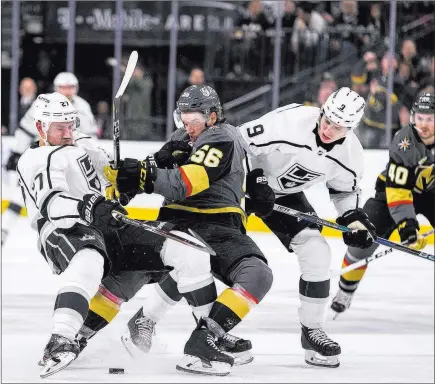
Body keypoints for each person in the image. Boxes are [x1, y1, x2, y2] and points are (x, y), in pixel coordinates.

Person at [17, 92, 197, 378]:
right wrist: (90, 204)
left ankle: (133, 325)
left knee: (183, 248)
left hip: (103, 223)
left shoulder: (81, 142)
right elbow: (53, 204)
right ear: (41, 128)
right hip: (63, 227)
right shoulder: (37, 158)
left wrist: (147, 166)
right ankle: (59, 339)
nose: (67, 132)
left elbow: (111, 177)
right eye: (59, 127)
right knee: (88, 258)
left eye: (70, 124)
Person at [108, 84, 274, 376]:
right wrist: (126, 185)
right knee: (200, 263)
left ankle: (196, 331)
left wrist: (145, 175)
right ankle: (207, 338)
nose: (187, 126)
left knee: (252, 273)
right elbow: (157, 172)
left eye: (193, 119)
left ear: (212, 116)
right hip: (183, 221)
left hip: (217, 222)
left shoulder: (222, 137)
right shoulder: (182, 136)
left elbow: (182, 182)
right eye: (182, 118)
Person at [237, 87, 376, 368]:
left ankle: (312, 331)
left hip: (283, 196)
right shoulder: (291, 120)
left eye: (338, 128)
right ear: (322, 110)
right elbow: (236, 141)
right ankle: (153, 318)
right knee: (211, 249)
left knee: (317, 251)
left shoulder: (351, 153)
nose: (328, 129)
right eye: (327, 121)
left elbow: (344, 193)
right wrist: (255, 179)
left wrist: (354, 219)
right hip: (239, 183)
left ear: (351, 127)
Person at [331, 92, 435, 316]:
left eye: (430, 119)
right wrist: (408, 226)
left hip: (432, 194)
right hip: (391, 193)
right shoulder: (404, 141)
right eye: (420, 118)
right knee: (362, 242)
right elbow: (399, 191)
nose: (424, 125)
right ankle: (345, 290)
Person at [2, 72, 98, 247]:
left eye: (70, 87)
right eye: (63, 87)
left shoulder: (83, 107)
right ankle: (3, 230)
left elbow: (90, 139)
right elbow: (27, 129)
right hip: (44, 157)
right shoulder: (44, 103)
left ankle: (82, 237)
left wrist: (92, 158)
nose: (67, 91)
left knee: (74, 199)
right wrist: (17, 151)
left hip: (70, 160)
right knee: (20, 195)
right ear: (56, 87)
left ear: (76, 88)